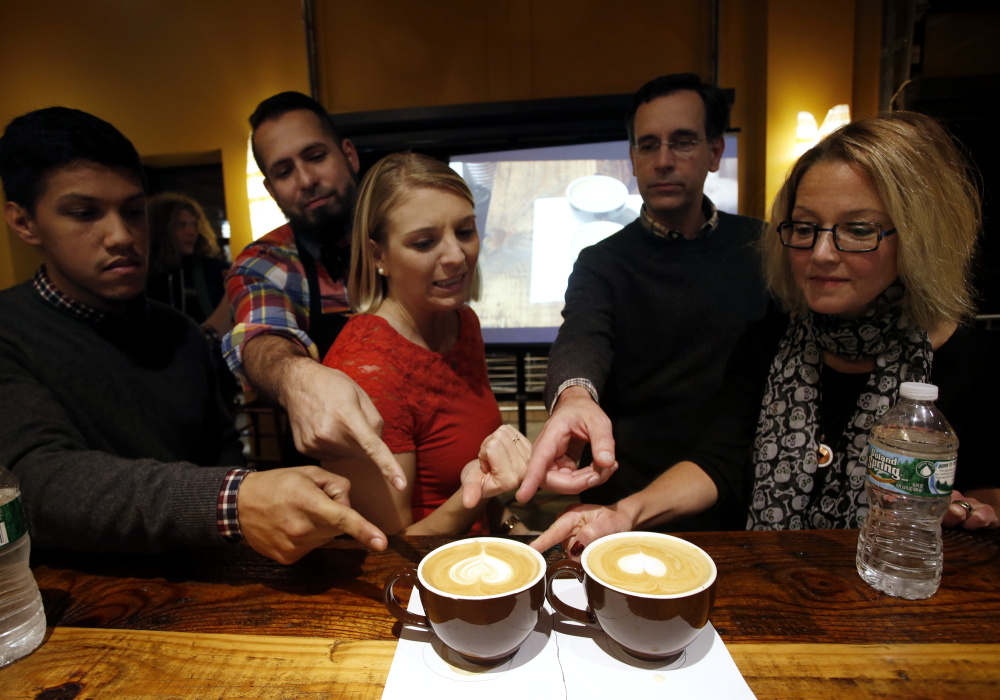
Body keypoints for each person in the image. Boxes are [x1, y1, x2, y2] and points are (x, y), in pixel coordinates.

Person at [532, 111, 1000, 556]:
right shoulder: (772, 343)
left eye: (857, 230)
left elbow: (983, 504)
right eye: (805, 227)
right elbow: (721, 460)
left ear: (917, 236)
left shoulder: (968, 361)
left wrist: (964, 514)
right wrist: (624, 512)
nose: (820, 254)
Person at [0, 107, 387, 565]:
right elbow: (36, 482)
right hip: (79, 608)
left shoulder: (180, 334)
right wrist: (235, 500)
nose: (121, 235)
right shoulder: (11, 330)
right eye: (84, 214)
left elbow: (222, 454)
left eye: (134, 212)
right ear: (24, 222)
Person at [517, 74, 770, 531]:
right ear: (632, 159)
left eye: (683, 142)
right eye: (648, 145)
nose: (663, 160)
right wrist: (575, 396)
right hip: (622, 507)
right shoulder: (602, 262)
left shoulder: (762, 248)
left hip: (735, 497)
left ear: (715, 152)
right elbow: (582, 334)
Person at [323, 153, 598, 535]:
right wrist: (487, 489)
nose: (456, 256)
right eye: (424, 242)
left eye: (465, 231)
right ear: (378, 255)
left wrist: (518, 530)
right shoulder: (368, 366)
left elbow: (472, 481)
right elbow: (387, 549)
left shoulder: (460, 321)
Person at [222, 91, 405, 488]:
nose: (306, 180)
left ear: (349, 156)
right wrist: (295, 376)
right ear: (271, 190)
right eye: (285, 171)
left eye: (316, 156)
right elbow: (261, 336)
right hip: (332, 483)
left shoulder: (406, 234)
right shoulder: (265, 262)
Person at [146, 192, 232, 338]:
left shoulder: (213, 270)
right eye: (181, 225)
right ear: (161, 229)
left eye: (194, 225)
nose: (192, 232)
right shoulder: (146, 275)